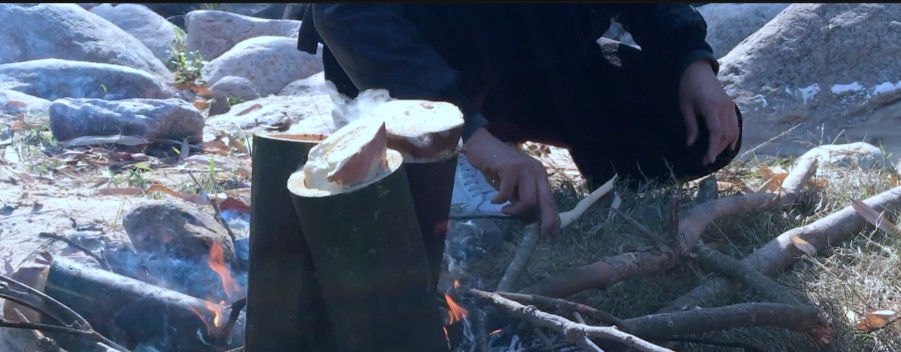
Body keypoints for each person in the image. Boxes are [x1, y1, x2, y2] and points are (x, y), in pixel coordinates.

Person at [297, 4, 742, 238]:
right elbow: (345, 13)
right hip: (409, 77)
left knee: (691, 132)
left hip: (533, 61)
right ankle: (440, 152)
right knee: (468, 224)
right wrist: (470, 137)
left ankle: (513, 131)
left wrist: (692, 62)